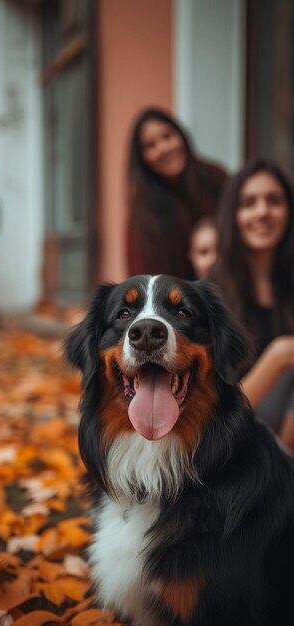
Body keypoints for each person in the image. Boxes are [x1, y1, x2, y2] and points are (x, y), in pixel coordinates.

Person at [210, 158, 294, 451]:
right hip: (230, 447)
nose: (262, 212)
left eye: (274, 201)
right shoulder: (209, 296)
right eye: (249, 202)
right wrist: (280, 355)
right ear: (232, 214)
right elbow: (214, 416)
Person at [126, 107, 227, 278]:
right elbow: (141, 277)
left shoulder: (216, 178)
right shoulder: (143, 213)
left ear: (181, 135)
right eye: (151, 145)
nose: (164, 148)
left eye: (168, 136)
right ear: (142, 159)